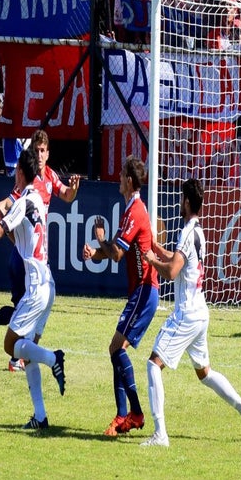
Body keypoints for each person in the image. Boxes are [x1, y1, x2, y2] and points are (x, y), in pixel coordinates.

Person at [140, 177, 241, 447]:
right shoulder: (197, 231)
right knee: (205, 373)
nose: (179, 203)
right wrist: (158, 249)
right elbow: (179, 259)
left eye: (182, 199)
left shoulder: (186, 232)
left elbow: (171, 271)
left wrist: (151, 260)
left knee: (153, 364)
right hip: (200, 312)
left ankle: (160, 434)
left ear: (187, 202)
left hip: (186, 313)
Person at [0, 148, 66, 430]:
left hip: (34, 285)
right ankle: (40, 416)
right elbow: (16, 236)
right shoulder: (38, 201)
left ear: (21, 172)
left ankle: (53, 358)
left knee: (11, 345)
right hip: (47, 282)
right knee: (26, 350)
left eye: (15, 170)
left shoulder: (24, 200)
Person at [81, 157, 159, 437]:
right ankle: (122, 415)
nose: (117, 177)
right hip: (141, 291)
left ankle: (133, 413)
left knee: (116, 349)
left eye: (121, 173)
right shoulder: (130, 209)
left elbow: (115, 253)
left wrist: (100, 239)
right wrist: (95, 251)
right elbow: (115, 250)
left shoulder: (135, 211)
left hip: (145, 290)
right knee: (116, 350)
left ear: (128, 181)